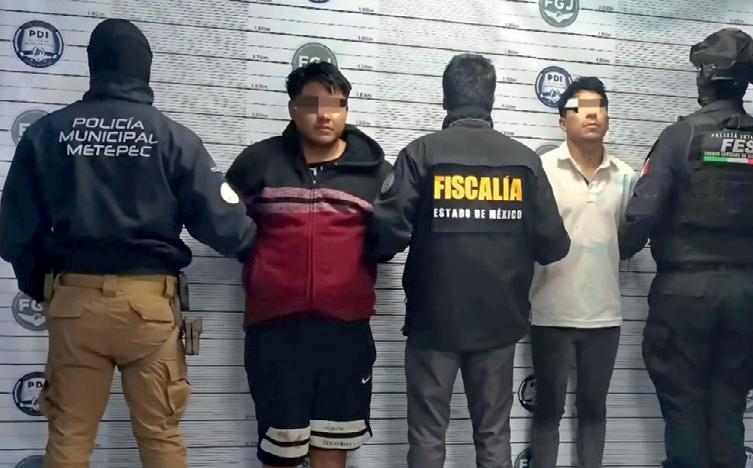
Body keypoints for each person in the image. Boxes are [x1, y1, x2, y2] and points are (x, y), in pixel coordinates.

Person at [0, 19, 257, 468]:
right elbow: (228, 229)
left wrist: (42, 283)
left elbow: (13, 230)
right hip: (149, 306)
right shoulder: (174, 137)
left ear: (93, 64)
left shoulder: (47, 133)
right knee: (160, 437)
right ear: (145, 68)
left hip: (74, 303)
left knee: (69, 437)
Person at [367, 53, 571, 468]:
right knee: (493, 436)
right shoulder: (524, 161)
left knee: (427, 436)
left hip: (433, 322)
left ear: (446, 99)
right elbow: (554, 246)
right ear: (491, 99)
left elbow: (385, 237)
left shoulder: (422, 153)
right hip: (499, 322)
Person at [618, 28, 753, 468]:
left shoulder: (679, 138)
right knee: (728, 413)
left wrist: (615, 252)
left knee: (684, 411)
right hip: (745, 296)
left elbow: (642, 214)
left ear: (705, 78)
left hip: (683, 295)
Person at [225, 62, 392, 468]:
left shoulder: (376, 173)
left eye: (336, 104)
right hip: (275, 332)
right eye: (312, 104)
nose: (325, 115)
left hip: (345, 333)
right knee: (281, 453)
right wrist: (256, 254)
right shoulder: (258, 161)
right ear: (293, 109)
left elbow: (388, 239)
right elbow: (221, 214)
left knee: (332, 449)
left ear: (346, 109)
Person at [529, 77, 637, 468]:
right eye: (580, 108)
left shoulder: (625, 176)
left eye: (599, 107)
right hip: (550, 311)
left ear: (608, 118)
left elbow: (627, 239)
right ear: (562, 121)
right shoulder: (541, 171)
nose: (591, 114)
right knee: (547, 410)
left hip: (604, 316)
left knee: (594, 410)